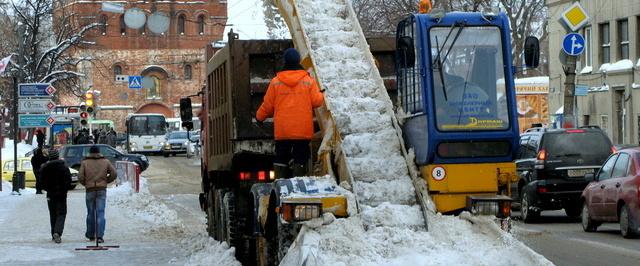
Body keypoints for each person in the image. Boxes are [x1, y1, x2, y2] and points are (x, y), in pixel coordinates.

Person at [255, 48, 324, 179]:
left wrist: (259, 117)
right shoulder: (308, 81)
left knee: (281, 157)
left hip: (283, 131)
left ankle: (281, 183)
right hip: (302, 130)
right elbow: (317, 101)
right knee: (300, 158)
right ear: (298, 61)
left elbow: (268, 105)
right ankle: (298, 184)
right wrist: (321, 93)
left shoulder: (276, 82)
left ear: (285, 61)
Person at [78, 145, 117, 243]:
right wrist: (106, 181)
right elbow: (114, 174)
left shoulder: (85, 162)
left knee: (90, 213)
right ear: (99, 152)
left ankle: (91, 235)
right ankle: (100, 236)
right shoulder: (106, 161)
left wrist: (86, 183)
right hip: (101, 189)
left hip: (90, 190)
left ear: (90, 152)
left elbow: (80, 176)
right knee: (100, 212)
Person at [41, 148, 72, 244]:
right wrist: (64, 189)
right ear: (58, 156)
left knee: (53, 213)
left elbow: (42, 182)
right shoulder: (64, 167)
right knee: (61, 213)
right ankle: (57, 232)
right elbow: (68, 181)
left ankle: (53, 233)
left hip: (50, 194)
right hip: (62, 194)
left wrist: (48, 189)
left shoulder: (45, 168)